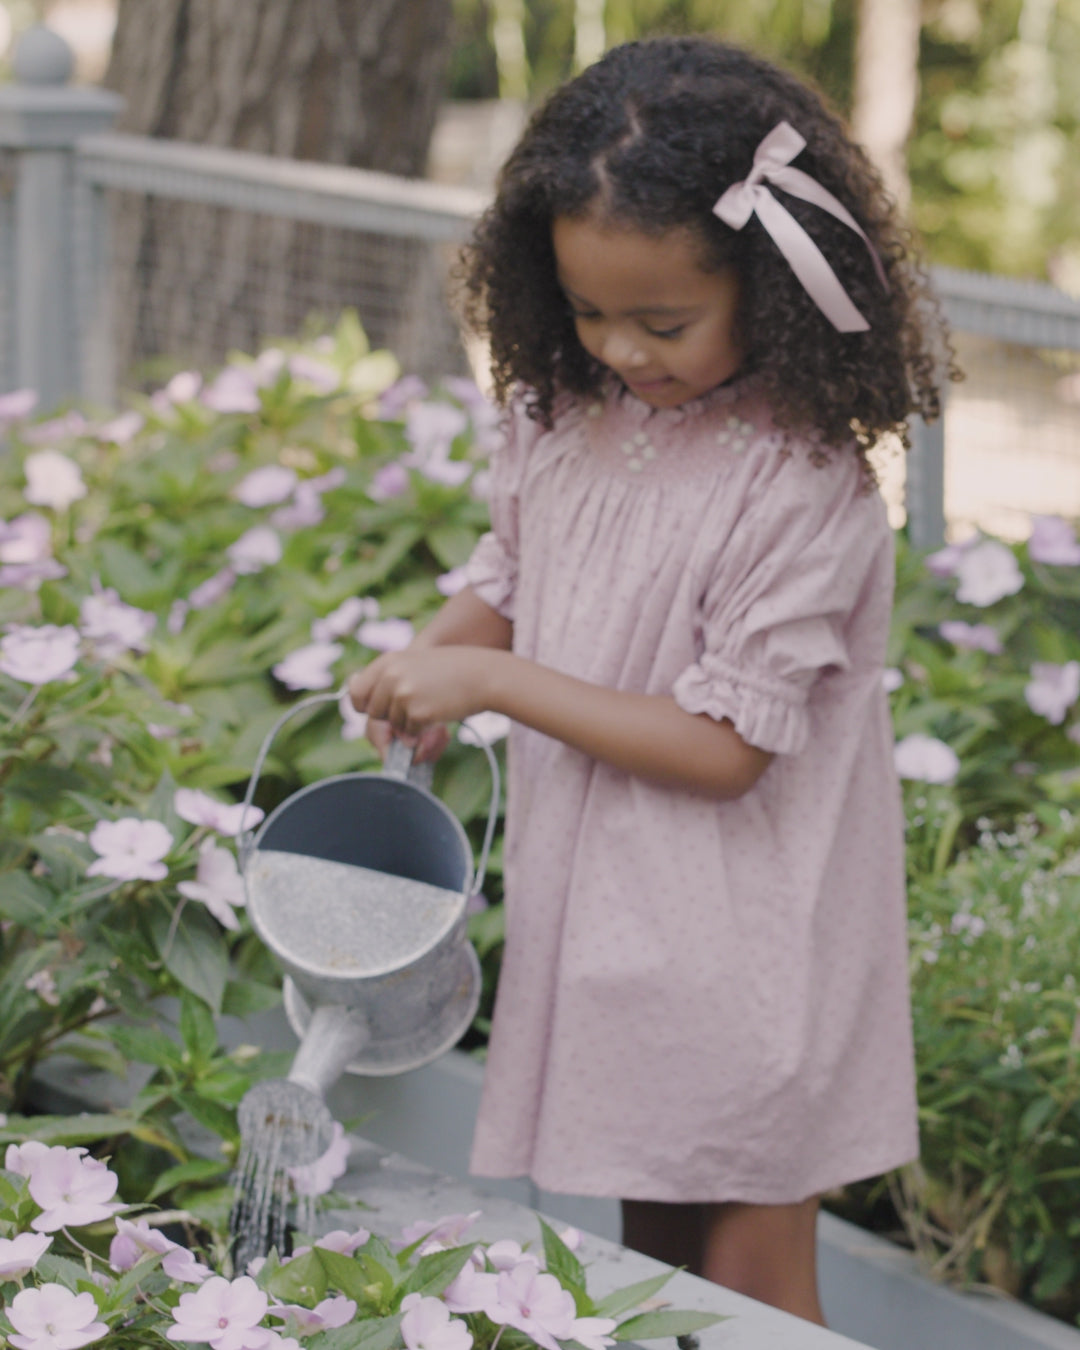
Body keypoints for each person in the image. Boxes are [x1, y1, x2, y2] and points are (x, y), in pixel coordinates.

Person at [348, 35, 948, 1326]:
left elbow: (725, 746)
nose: (619, 346)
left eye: (663, 320)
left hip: (750, 940)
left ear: (773, 284)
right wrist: (432, 659)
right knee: (651, 1257)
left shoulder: (800, 482)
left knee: (746, 1281)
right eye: (585, 309)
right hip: (613, 926)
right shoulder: (562, 416)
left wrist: (494, 686)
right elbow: (511, 571)